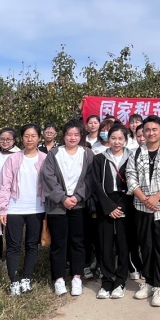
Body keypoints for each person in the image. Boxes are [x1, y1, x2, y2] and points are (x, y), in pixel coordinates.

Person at [125, 115, 160, 308]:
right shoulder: (136, 153)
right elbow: (130, 177)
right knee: (146, 246)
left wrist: (156, 197)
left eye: (154, 129)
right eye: (147, 130)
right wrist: (144, 198)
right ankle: (148, 282)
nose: (150, 133)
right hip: (142, 207)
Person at [41, 120, 92, 297]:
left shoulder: (87, 153)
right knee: (59, 243)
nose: (72, 138)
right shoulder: (55, 153)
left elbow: (90, 178)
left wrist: (77, 197)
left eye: (76, 134)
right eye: (69, 134)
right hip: (57, 206)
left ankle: (76, 277)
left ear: (81, 136)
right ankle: (59, 278)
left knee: (78, 242)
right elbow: (48, 177)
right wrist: (62, 198)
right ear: (63, 136)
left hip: (79, 205)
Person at [0, 124, 46, 296]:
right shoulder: (13, 159)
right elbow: (4, 185)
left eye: (33, 136)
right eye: (26, 136)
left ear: (39, 138)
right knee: (13, 246)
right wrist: (3, 209)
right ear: (22, 138)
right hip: (14, 209)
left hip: (37, 209)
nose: (30, 139)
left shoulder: (45, 159)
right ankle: (14, 281)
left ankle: (26, 278)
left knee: (32, 245)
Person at [88, 124, 133, 299]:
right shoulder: (100, 159)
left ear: (125, 140)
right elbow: (96, 184)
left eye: (120, 138)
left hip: (125, 202)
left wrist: (121, 207)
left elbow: (134, 183)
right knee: (105, 244)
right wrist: (108, 207)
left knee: (123, 244)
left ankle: (120, 281)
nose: (116, 142)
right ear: (108, 139)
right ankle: (106, 281)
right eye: (113, 138)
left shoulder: (132, 157)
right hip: (105, 203)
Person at [0, 127, 20, 271]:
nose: (5, 142)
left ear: (14, 140)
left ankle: (10, 260)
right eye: (2, 139)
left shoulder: (19, 155)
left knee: (10, 231)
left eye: (8, 139)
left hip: (12, 200)